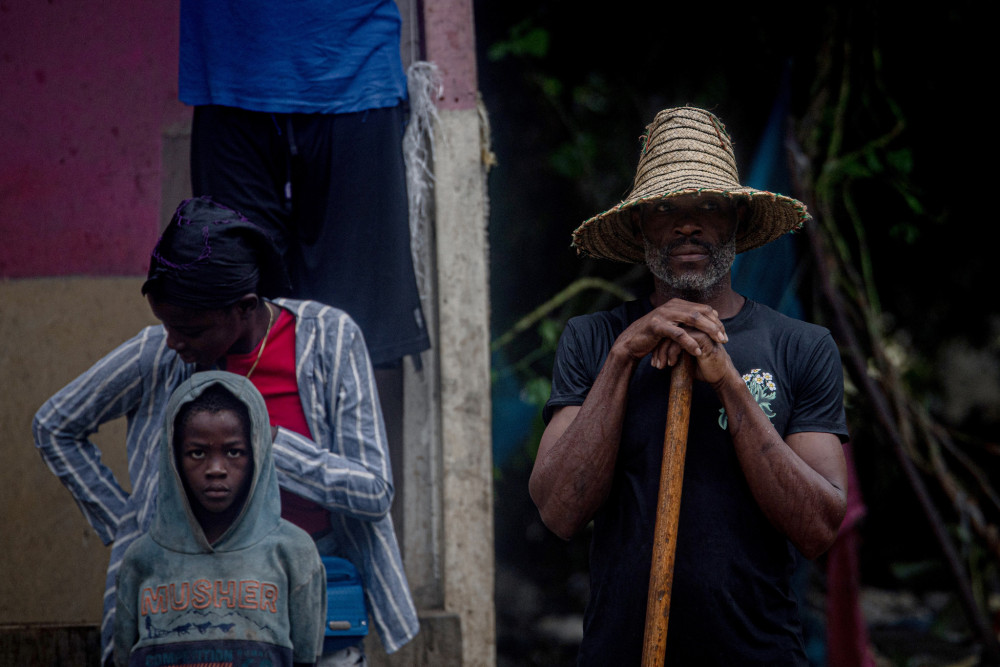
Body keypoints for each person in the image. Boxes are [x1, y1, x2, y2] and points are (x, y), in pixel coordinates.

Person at [33, 197, 418, 666]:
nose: (174, 342)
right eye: (166, 324)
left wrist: (267, 443)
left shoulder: (328, 340)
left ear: (245, 307)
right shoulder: (159, 352)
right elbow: (55, 425)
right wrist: (128, 526)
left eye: (190, 329)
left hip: (308, 574)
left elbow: (374, 492)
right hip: (185, 594)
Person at [528, 107, 850, 665]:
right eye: (663, 210)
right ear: (638, 228)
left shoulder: (802, 346)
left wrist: (728, 382)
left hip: (759, 655)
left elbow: (818, 527)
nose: (686, 224)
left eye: (707, 205)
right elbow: (559, 510)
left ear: (737, 222)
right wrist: (625, 356)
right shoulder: (594, 339)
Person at [180, 0, 430, 368]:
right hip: (228, 71)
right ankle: (252, 425)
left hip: (355, 69)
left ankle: (338, 426)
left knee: (351, 331)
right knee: (234, 317)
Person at [114, 371, 326, 666]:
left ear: (257, 455)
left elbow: (306, 657)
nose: (216, 468)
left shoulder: (293, 552)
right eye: (197, 453)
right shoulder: (143, 559)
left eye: (234, 451)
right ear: (173, 458)